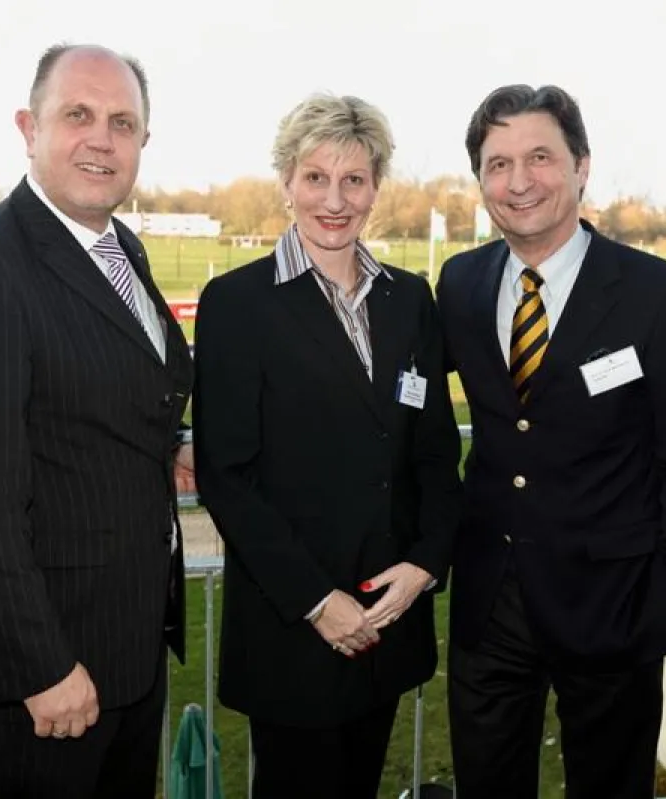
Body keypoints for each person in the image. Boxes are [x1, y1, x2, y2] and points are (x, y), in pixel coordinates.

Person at [0, 43, 193, 798]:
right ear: (30, 127)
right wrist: (42, 669)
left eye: (122, 122)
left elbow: (98, 404)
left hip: (125, 656)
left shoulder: (118, 248)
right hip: (48, 683)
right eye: (78, 115)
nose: (102, 138)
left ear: (143, 145)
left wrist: (164, 449)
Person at [436, 84, 666, 798]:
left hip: (616, 607)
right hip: (491, 605)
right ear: (480, 181)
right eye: (498, 163)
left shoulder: (657, 294)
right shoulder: (462, 282)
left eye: (540, 156)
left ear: (581, 167)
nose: (519, 180)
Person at [193, 93, 462, 799]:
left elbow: (434, 449)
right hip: (294, 634)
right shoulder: (237, 303)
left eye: (354, 180)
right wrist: (317, 601)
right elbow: (226, 475)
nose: (334, 199)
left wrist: (426, 563)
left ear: (377, 187)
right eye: (316, 177)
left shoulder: (410, 300)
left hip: (387, 619)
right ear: (286, 181)